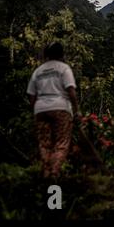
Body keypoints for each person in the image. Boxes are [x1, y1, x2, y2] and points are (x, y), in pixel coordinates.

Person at [27, 42, 80, 178]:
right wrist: (76, 110)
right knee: (61, 143)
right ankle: (54, 173)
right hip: (60, 108)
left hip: (41, 109)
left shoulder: (38, 71)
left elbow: (31, 94)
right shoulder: (63, 69)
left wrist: (35, 110)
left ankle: (46, 172)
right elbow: (71, 91)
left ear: (46, 55)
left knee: (44, 144)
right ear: (62, 54)